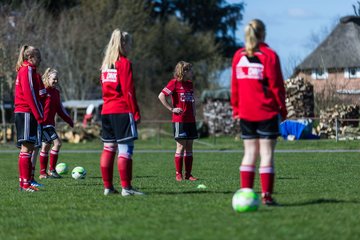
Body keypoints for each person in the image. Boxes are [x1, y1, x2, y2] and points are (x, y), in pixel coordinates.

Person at [230, 19, 287, 205]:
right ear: (263, 33)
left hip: (245, 112)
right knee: (267, 154)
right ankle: (266, 197)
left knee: (249, 153)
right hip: (266, 112)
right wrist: (282, 108)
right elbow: (277, 86)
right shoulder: (269, 55)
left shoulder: (238, 56)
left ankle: (246, 195)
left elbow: (235, 87)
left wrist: (236, 109)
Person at [99, 29, 144, 196]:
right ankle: (127, 188)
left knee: (108, 148)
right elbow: (129, 91)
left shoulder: (105, 65)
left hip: (106, 112)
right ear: (123, 44)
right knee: (126, 150)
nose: (130, 47)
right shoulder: (124, 63)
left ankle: (108, 187)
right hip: (121, 110)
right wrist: (136, 112)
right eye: (129, 43)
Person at [14, 45, 48, 192]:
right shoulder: (26, 70)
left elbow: (39, 93)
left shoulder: (32, 71)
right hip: (26, 112)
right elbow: (29, 95)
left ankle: (25, 183)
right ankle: (25, 184)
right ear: (30, 57)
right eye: (38, 57)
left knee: (27, 148)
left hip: (27, 112)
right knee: (26, 148)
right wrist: (39, 114)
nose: (40, 60)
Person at [158, 61, 198, 182]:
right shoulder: (174, 83)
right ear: (183, 71)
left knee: (189, 147)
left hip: (190, 120)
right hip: (179, 120)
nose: (191, 72)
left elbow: (193, 101)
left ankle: (188, 174)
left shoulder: (190, 84)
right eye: (189, 70)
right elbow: (161, 96)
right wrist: (172, 108)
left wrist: (194, 112)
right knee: (181, 146)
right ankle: (178, 174)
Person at [35, 68, 74, 179]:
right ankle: (51, 170)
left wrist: (69, 120)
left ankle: (43, 173)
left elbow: (60, 109)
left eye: (57, 79)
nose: (56, 81)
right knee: (57, 143)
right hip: (43, 123)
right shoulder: (42, 91)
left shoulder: (56, 92)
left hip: (50, 123)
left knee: (46, 147)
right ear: (47, 78)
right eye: (54, 79)